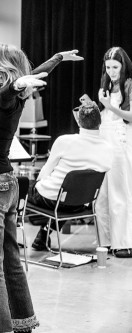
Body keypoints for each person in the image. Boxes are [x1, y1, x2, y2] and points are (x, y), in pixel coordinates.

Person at [0, 44, 83, 333]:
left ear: (3, 72)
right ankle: (23, 324)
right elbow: (27, 78)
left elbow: (14, 87)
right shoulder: (8, 99)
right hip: (6, 185)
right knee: (11, 262)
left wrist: (18, 83)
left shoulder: (5, 100)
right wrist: (57, 59)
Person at [29, 102, 114, 251]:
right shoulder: (108, 148)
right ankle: (43, 234)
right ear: (100, 122)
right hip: (80, 203)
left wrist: (37, 185)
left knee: (21, 188)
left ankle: (6, 238)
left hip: (52, 200)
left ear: (78, 121)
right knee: (66, 194)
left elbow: (45, 172)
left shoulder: (64, 141)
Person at [95, 46, 132, 258]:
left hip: (122, 142)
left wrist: (109, 106)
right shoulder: (106, 84)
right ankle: (107, 240)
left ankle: (124, 241)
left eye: (115, 67)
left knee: (121, 192)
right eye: (108, 67)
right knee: (103, 194)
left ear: (123, 65)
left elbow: (130, 116)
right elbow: (105, 114)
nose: (111, 71)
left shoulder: (129, 84)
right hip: (105, 142)